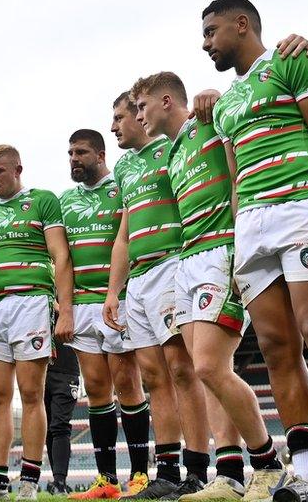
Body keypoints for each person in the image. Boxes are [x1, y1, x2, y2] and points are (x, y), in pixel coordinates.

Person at [200, 0, 308, 501]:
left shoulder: (294, 60)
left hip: (304, 207)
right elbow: (235, 181)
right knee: (276, 347)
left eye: (212, 32)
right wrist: (236, 244)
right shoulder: (227, 105)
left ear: (241, 24)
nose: (205, 43)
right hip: (252, 223)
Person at [130, 72, 284, 502]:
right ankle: (230, 474)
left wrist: (218, 97)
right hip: (189, 260)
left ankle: (269, 463)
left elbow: (237, 161)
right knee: (208, 372)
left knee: (208, 367)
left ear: (165, 101)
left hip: (221, 249)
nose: (138, 115)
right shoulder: (174, 150)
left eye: (141, 106)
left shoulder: (210, 121)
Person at [103, 94, 213, 500]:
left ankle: (198, 468)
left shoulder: (174, 144)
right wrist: (115, 291)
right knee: (152, 376)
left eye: (118, 117)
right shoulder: (124, 166)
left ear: (139, 114)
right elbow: (124, 232)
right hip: (139, 279)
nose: (114, 126)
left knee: (182, 368)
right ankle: (165, 471)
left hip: (173, 263)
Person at [0, 144, 73, 502]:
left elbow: (61, 254)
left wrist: (64, 309)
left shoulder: (43, 200)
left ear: (18, 169)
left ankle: (29, 482)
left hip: (32, 302)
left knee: (32, 393)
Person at [58, 128, 150, 499]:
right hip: (80, 306)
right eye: (70, 153)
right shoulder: (64, 200)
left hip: (118, 300)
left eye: (81, 152)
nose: (74, 159)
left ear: (100, 154)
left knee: (127, 382)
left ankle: (141, 474)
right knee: (96, 389)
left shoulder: (121, 188)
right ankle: (106, 480)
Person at [46, 339, 80, 495]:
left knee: (60, 425)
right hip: (37, 364)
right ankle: (57, 480)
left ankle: (60, 482)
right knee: (48, 427)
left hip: (66, 369)